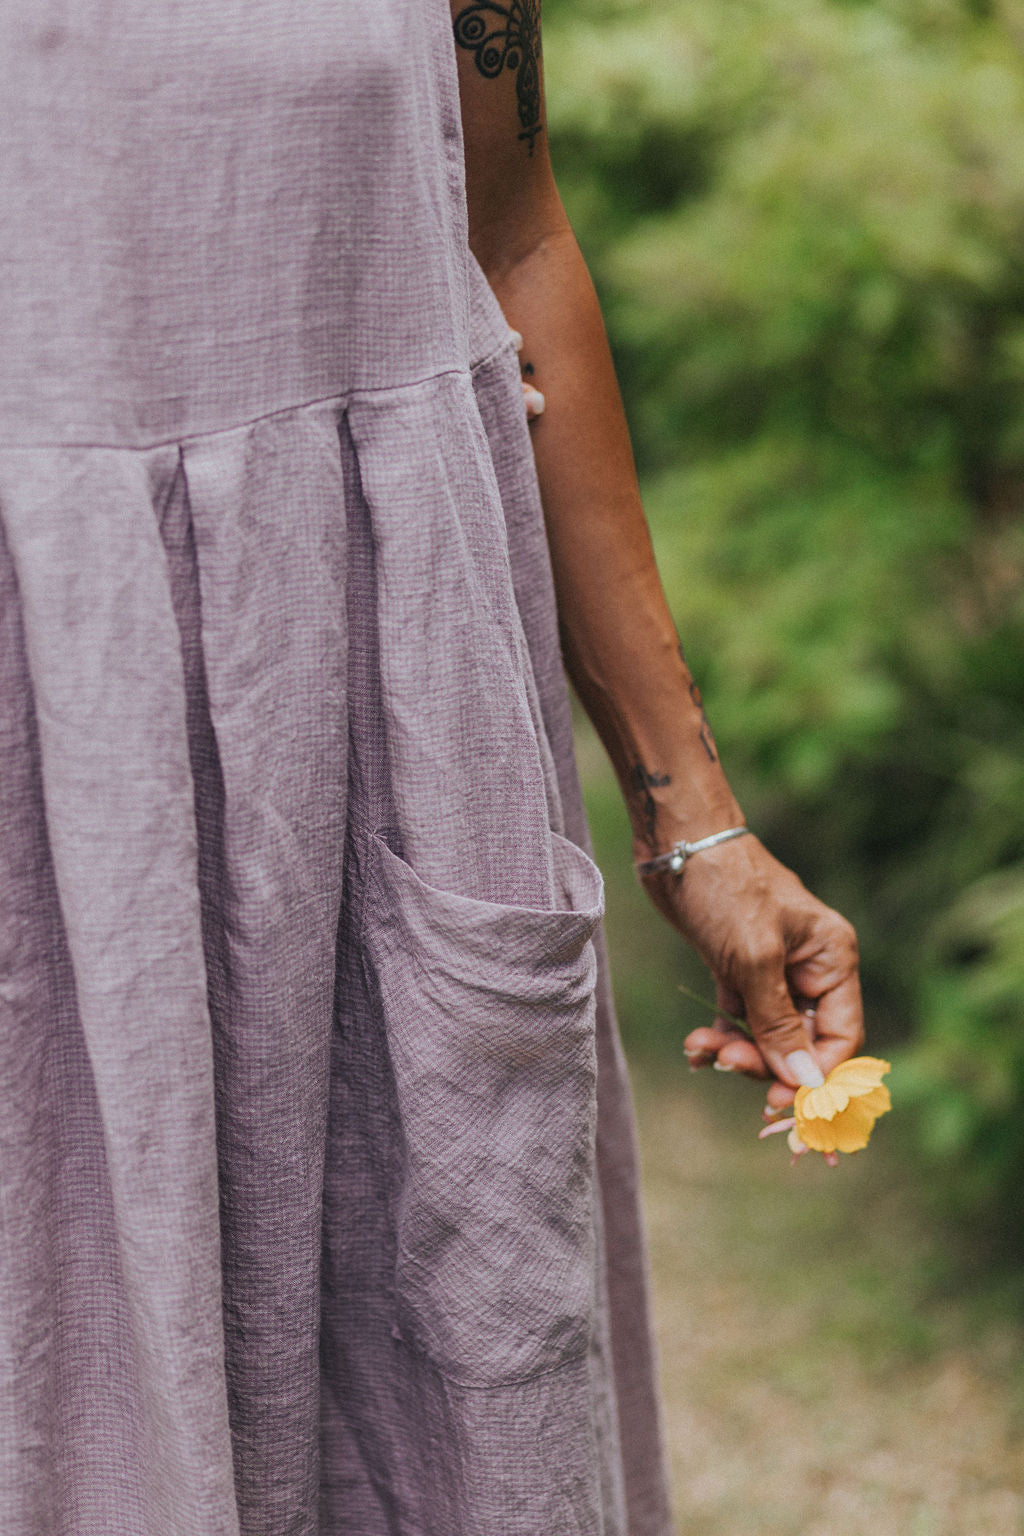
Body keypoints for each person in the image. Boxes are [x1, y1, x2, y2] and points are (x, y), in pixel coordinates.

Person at [0, 2, 863, 1533]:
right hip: (49, 780)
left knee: (446, 1425)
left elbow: (513, 234)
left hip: (397, 765)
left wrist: (699, 823)